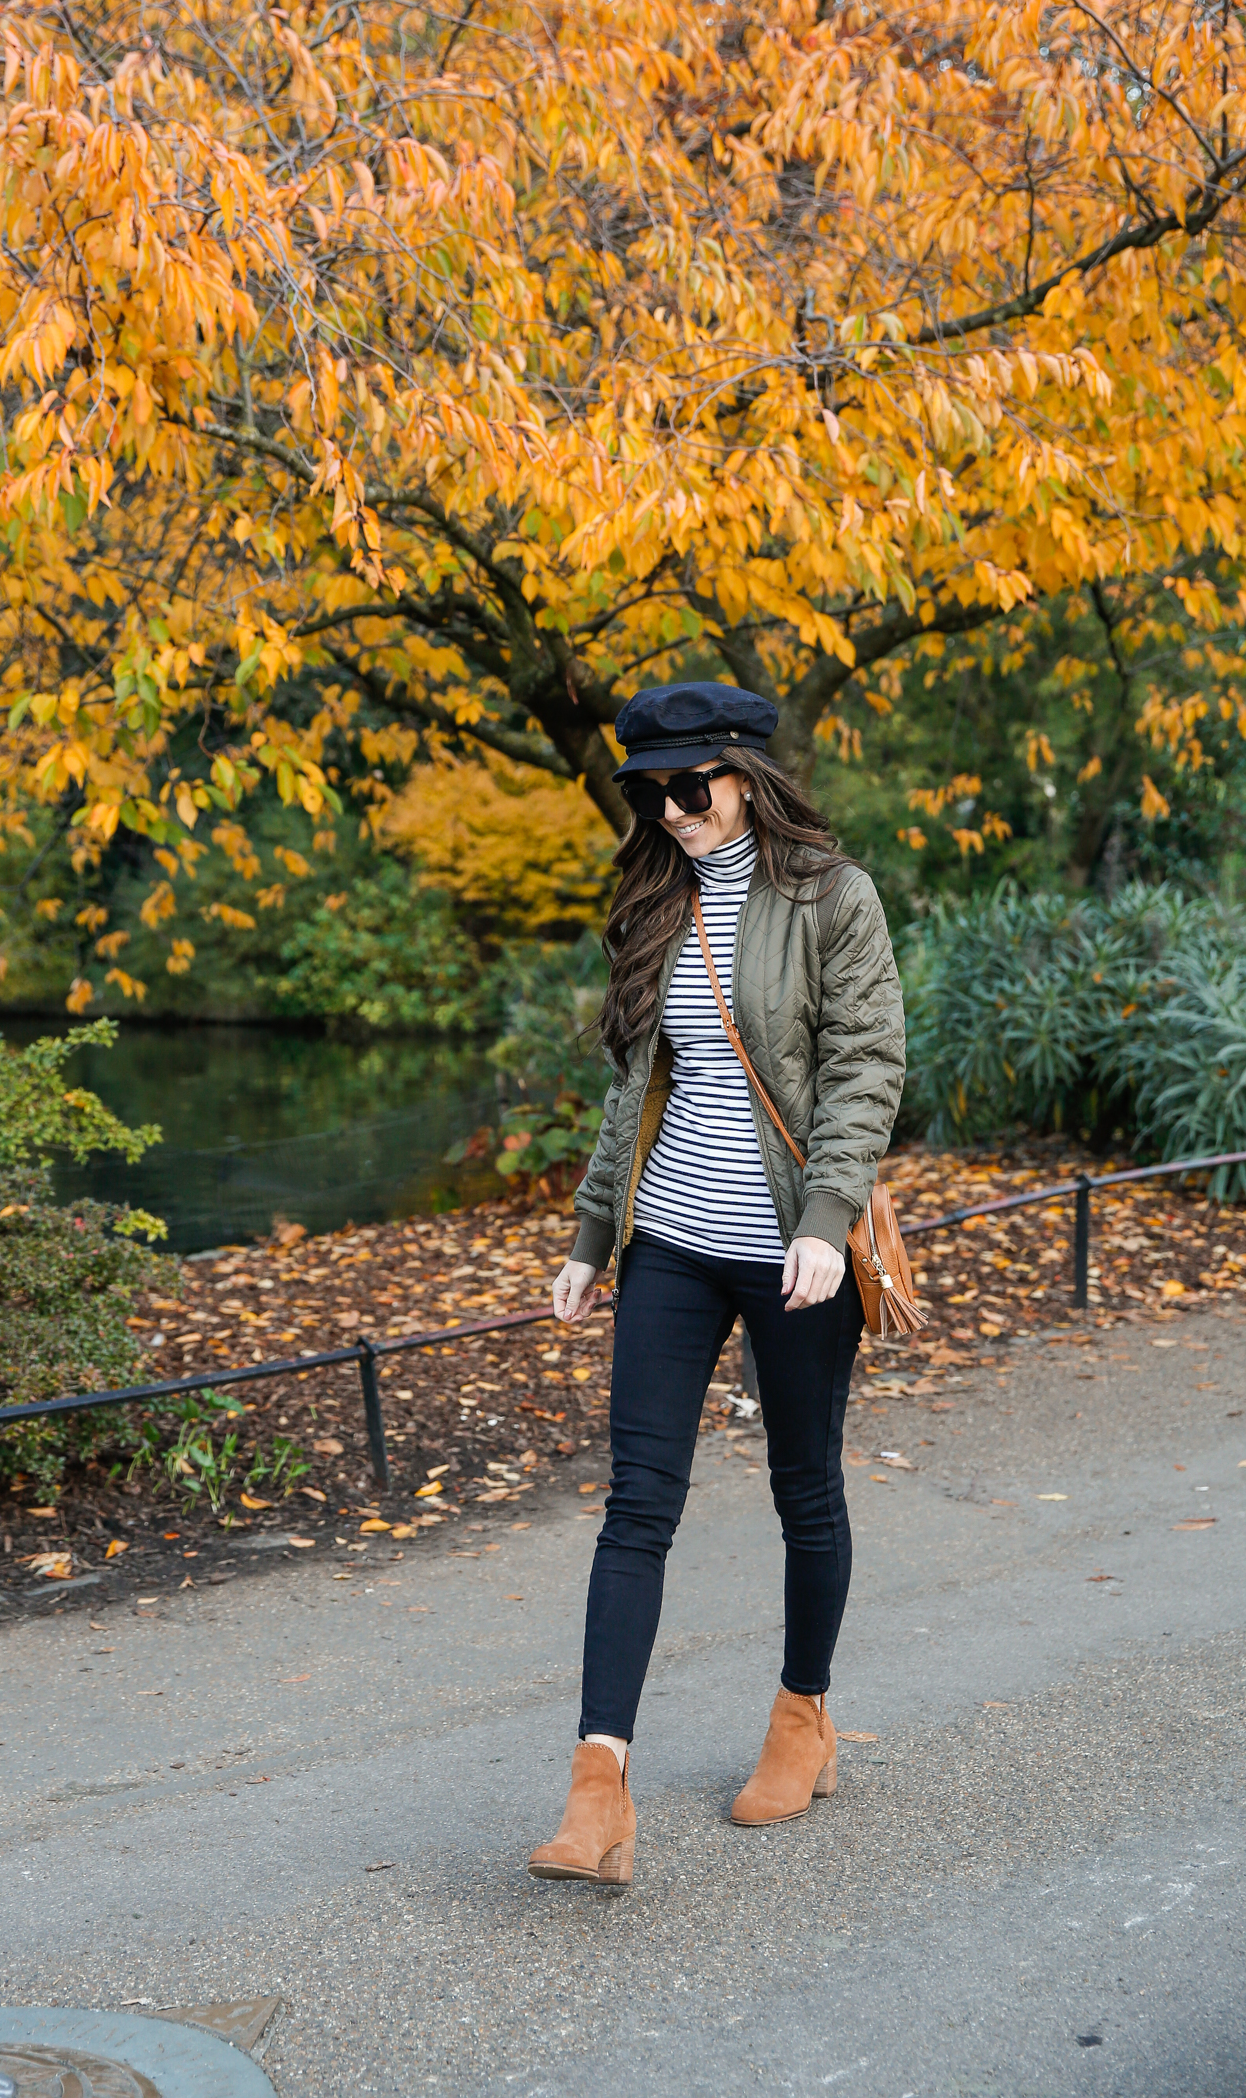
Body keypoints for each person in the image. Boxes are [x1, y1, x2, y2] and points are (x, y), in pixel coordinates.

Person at [528, 681, 906, 1889]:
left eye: (692, 784)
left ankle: (803, 1716)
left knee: (805, 1487)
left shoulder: (834, 898)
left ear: (746, 772)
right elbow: (632, 1088)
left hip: (794, 1249)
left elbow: (864, 1066)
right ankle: (599, 1791)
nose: (675, 808)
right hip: (675, 1244)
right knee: (637, 1503)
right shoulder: (656, 897)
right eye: (654, 790)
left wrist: (827, 1218)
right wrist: (594, 1235)